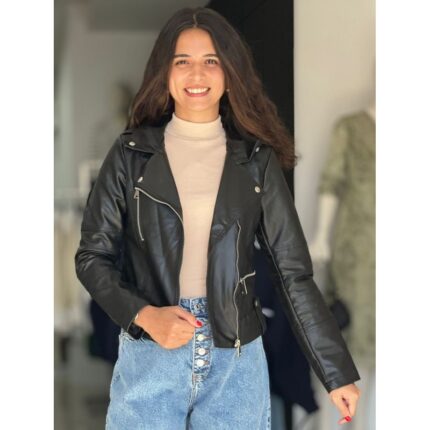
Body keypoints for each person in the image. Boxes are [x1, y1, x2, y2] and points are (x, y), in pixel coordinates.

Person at [75, 7, 361, 429]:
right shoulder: (130, 155)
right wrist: (145, 316)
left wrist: (335, 372)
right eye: (182, 61)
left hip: (236, 361)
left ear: (229, 72)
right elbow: (91, 257)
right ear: (165, 72)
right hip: (153, 350)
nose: (197, 74)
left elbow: (293, 274)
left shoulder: (256, 161)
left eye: (211, 60)